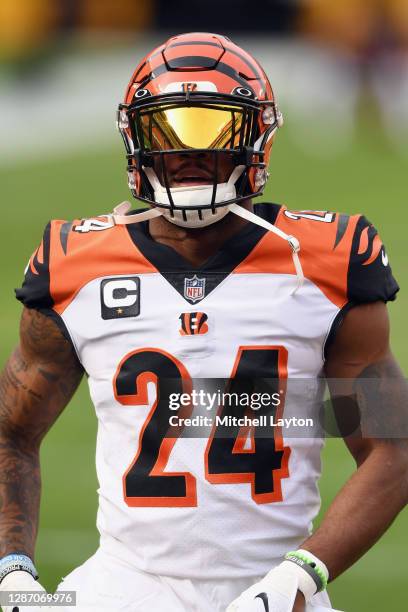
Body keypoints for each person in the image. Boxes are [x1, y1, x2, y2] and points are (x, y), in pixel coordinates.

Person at [0, 32, 406, 612]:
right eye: (166, 132)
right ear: (135, 138)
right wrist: (12, 570)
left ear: (257, 136)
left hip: (273, 580)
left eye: (212, 129)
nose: (187, 153)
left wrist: (301, 576)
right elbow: (11, 431)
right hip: (121, 585)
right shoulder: (75, 262)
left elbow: (392, 446)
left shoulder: (323, 260)